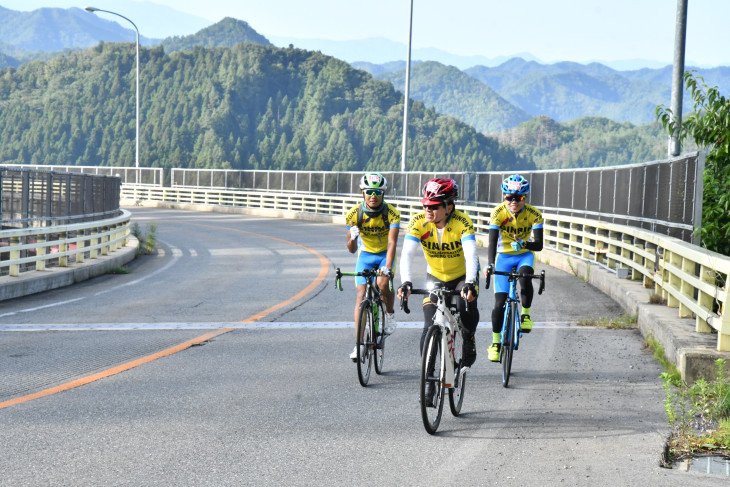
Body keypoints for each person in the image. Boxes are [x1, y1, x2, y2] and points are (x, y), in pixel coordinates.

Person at [398, 178, 480, 403]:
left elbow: (471, 255)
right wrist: (405, 282)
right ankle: (430, 379)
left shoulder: (462, 222)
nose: (428, 210)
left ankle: (469, 337)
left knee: (465, 306)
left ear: (448, 207)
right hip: (435, 277)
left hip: (462, 276)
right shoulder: (418, 222)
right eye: (425, 205)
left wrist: (471, 283)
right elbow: (406, 254)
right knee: (428, 326)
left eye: (433, 206)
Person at [484, 174, 544, 362]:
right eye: (509, 198)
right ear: (504, 197)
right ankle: (495, 343)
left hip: (524, 255)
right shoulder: (498, 213)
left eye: (517, 198)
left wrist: (525, 244)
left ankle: (525, 315)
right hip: (504, 257)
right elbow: (492, 241)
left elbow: (539, 245)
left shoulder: (534, 214)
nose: (513, 202)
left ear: (524, 197)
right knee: (499, 304)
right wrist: (490, 264)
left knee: (525, 276)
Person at [345, 172, 401, 361]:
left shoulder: (392, 213)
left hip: (385, 253)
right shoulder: (354, 215)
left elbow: (392, 243)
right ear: (363, 193)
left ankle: (390, 314)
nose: (373, 196)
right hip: (366, 254)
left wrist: (387, 267)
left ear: (383, 193)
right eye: (369, 192)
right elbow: (352, 250)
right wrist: (352, 238)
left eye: (378, 192)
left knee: (383, 284)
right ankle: (359, 345)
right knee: (361, 296)